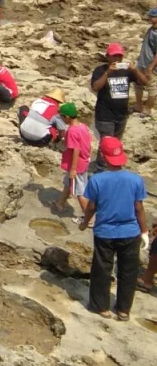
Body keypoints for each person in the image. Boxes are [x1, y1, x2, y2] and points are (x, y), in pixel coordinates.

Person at [80, 137, 147, 321]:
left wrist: (85, 223)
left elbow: (92, 207)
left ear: (102, 155)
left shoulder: (97, 180)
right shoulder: (135, 180)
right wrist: (145, 231)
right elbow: (139, 208)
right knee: (128, 271)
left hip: (105, 232)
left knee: (102, 269)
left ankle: (101, 307)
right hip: (131, 232)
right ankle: (124, 310)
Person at [91, 42, 147, 169]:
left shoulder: (127, 70)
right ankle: (101, 167)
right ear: (107, 56)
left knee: (116, 143)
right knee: (106, 142)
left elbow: (144, 82)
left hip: (122, 115)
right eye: (114, 56)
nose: (117, 59)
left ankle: (111, 165)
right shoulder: (100, 70)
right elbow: (95, 87)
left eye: (119, 56)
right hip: (105, 115)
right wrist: (107, 73)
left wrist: (135, 70)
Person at [53, 102, 92, 220]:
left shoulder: (72, 131)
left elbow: (76, 150)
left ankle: (89, 219)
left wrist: (73, 168)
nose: (61, 119)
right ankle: (60, 203)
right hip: (84, 160)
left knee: (79, 191)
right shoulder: (83, 126)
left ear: (67, 117)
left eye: (62, 117)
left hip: (76, 165)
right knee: (68, 183)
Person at [134, 7, 157, 115]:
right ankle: (138, 106)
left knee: (152, 86)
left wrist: (151, 67)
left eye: (152, 16)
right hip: (142, 62)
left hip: (150, 65)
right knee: (138, 83)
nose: (149, 18)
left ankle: (148, 108)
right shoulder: (151, 29)